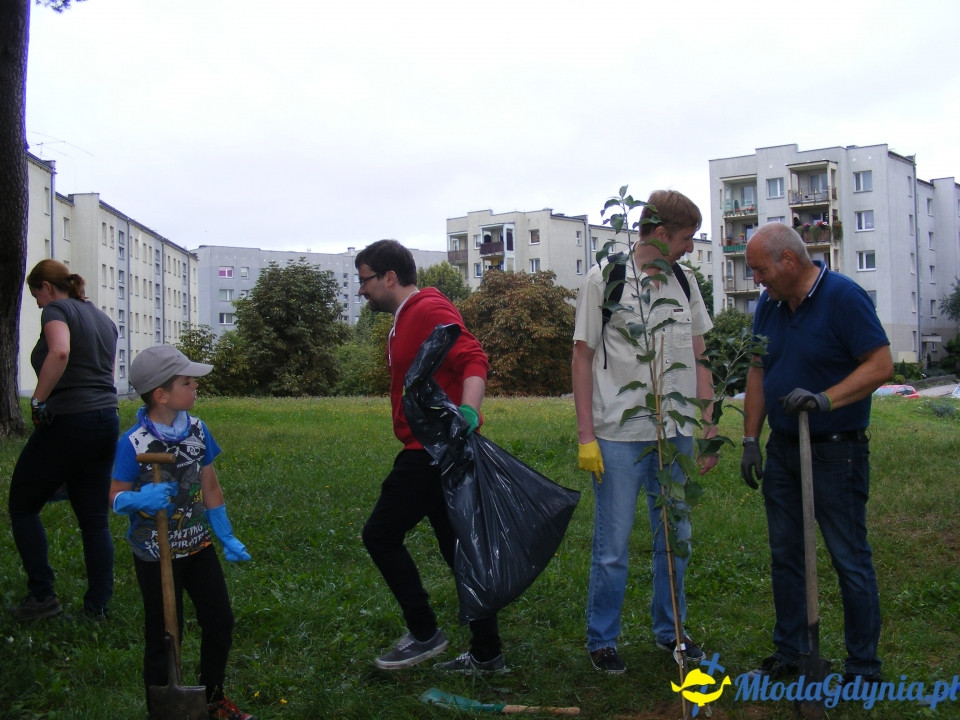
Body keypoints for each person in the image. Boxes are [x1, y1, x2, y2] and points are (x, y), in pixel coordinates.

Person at [739, 222, 891, 685]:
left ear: (789, 260)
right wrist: (750, 439)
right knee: (786, 554)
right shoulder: (769, 306)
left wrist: (826, 398)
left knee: (849, 557)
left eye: (760, 270)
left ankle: (863, 667)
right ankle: (792, 651)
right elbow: (758, 372)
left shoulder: (843, 297)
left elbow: (880, 364)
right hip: (784, 450)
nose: (756, 281)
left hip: (835, 453)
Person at [572, 190, 718, 674]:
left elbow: (699, 355)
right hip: (618, 434)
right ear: (659, 232)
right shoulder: (606, 279)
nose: (689, 248)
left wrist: (710, 425)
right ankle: (603, 640)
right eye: (685, 238)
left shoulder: (683, 281)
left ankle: (671, 632)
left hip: (673, 434)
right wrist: (586, 435)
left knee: (676, 538)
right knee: (612, 545)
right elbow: (583, 356)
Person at [357, 239, 505, 674]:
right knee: (457, 548)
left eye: (365, 280)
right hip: (436, 448)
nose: (361, 290)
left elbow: (472, 358)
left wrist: (470, 412)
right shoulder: (406, 318)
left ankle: (424, 633)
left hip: (432, 449)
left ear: (389, 277)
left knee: (380, 534)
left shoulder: (427, 308)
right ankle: (487, 651)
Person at [110, 345, 256, 720]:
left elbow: (209, 485)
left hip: (198, 547)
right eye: (188, 383)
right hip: (156, 554)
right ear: (161, 394)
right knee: (162, 636)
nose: (196, 389)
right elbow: (114, 495)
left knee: (220, 620)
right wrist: (138, 499)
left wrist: (225, 535)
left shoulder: (197, 430)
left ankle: (212, 697)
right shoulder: (133, 443)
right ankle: (163, 707)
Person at [8, 259, 119, 622]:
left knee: (23, 505)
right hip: (106, 421)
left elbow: (60, 351)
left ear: (45, 286)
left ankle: (42, 596)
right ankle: (97, 608)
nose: (37, 304)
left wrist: (38, 399)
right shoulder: (101, 317)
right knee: (94, 521)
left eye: (35, 295)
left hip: (71, 419)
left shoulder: (56, 309)